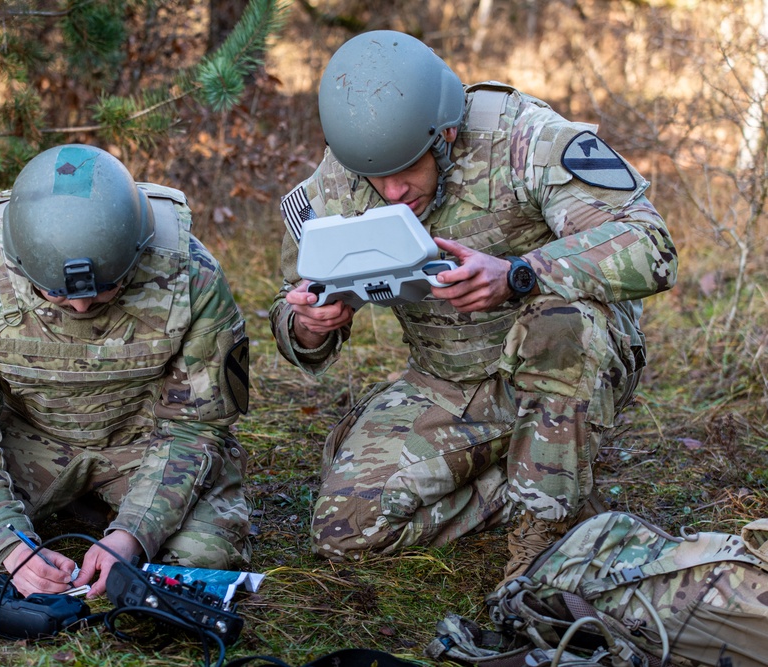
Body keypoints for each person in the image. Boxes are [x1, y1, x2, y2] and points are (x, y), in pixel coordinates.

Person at [270, 30, 677, 582]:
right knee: (346, 531)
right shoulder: (338, 180)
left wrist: (520, 275)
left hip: (561, 358)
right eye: (376, 176)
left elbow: (650, 245)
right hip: (448, 380)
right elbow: (295, 305)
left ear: (447, 132)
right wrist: (308, 323)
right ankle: (536, 474)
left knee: (558, 318)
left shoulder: (524, 139)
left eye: (409, 167)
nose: (392, 191)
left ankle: (545, 531)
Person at [0, 144, 251, 598]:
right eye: (56, 294)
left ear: (137, 251)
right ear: (20, 263)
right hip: (27, 438)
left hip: (146, 441)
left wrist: (134, 535)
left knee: (202, 558)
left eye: (107, 289)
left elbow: (196, 429)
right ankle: (71, 503)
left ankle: (105, 510)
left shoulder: (190, 277)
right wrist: (11, 547)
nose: (81, 305)